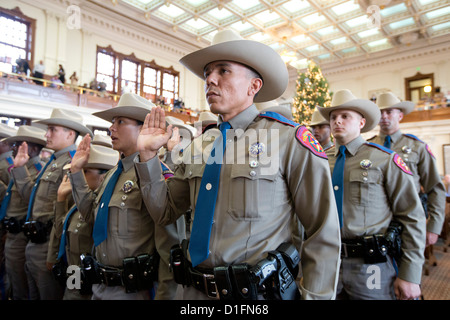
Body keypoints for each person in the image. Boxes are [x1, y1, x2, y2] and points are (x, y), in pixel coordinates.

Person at [135, 29, 341, 300]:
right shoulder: (201, 145)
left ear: (253, 86)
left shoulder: (287, 139)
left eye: (223, 70)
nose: (210, 79)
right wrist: (148, 157)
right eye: (208, 72)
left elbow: (321, 228)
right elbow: (165, 212)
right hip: (193, 293)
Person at [68, 93, 180, 300]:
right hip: (101, 285)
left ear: (142, 128)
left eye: (121, 122)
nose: (112, 128)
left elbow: (169, 248)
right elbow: (92, 217)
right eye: (112, 122)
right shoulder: (113, 174)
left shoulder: (156, 175)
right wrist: (76, 173)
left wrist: (165, 296)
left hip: (133, 290)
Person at [317, 89, 426, 300]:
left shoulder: (384, 159)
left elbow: (412, 216)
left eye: (345, 116)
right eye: (333, 117)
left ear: (361, 122)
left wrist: (410, 275)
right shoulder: (318, 160)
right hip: (327, 262)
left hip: (371, 263)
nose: (337, 121)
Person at [11, 108, 92, 300]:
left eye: (52, 129)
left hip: (49, 243)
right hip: (34, 242)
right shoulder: (55, 162)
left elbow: (68, 216)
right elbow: (32, 198)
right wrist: (21, 169)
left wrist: (54, 252)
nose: (46, 134)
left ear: (70, 134)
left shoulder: (73, 164)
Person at [368, 92, 446, 246]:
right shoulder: (369, 148)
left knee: (410, 265)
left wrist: (434, 227)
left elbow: (435, 188)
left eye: (389, 112)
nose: (384, 116)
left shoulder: (417, 147)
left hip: (410, 218)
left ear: (400, 116)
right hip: (375, 221)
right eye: (380, 113)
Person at [54, 143, 119, 300]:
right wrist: (61, 199)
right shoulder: (77, 205)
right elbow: (60, 233)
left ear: (103, 176)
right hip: (74, 275)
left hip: (90, 283)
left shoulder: (101, 208)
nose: (79, 176)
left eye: (86, 171)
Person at [1, 126, 47, 300]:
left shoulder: (37, 170)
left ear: (33, 149)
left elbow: (33, 200)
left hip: (22, 235)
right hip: (11, 233)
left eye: (18, 144)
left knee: (22, 288)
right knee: (13, 282)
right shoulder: (20, 167)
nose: (13, 148)